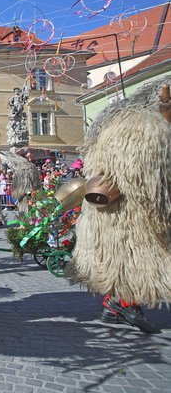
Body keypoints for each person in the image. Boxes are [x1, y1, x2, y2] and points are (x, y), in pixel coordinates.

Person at [68, 78, 170, 334]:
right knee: (131, 259)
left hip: (117, 214)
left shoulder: (123, 125)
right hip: (127, 215)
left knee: (127, 261)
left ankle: (116, 305)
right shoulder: (144, 129)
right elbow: (147, 179)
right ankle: (123, 304)